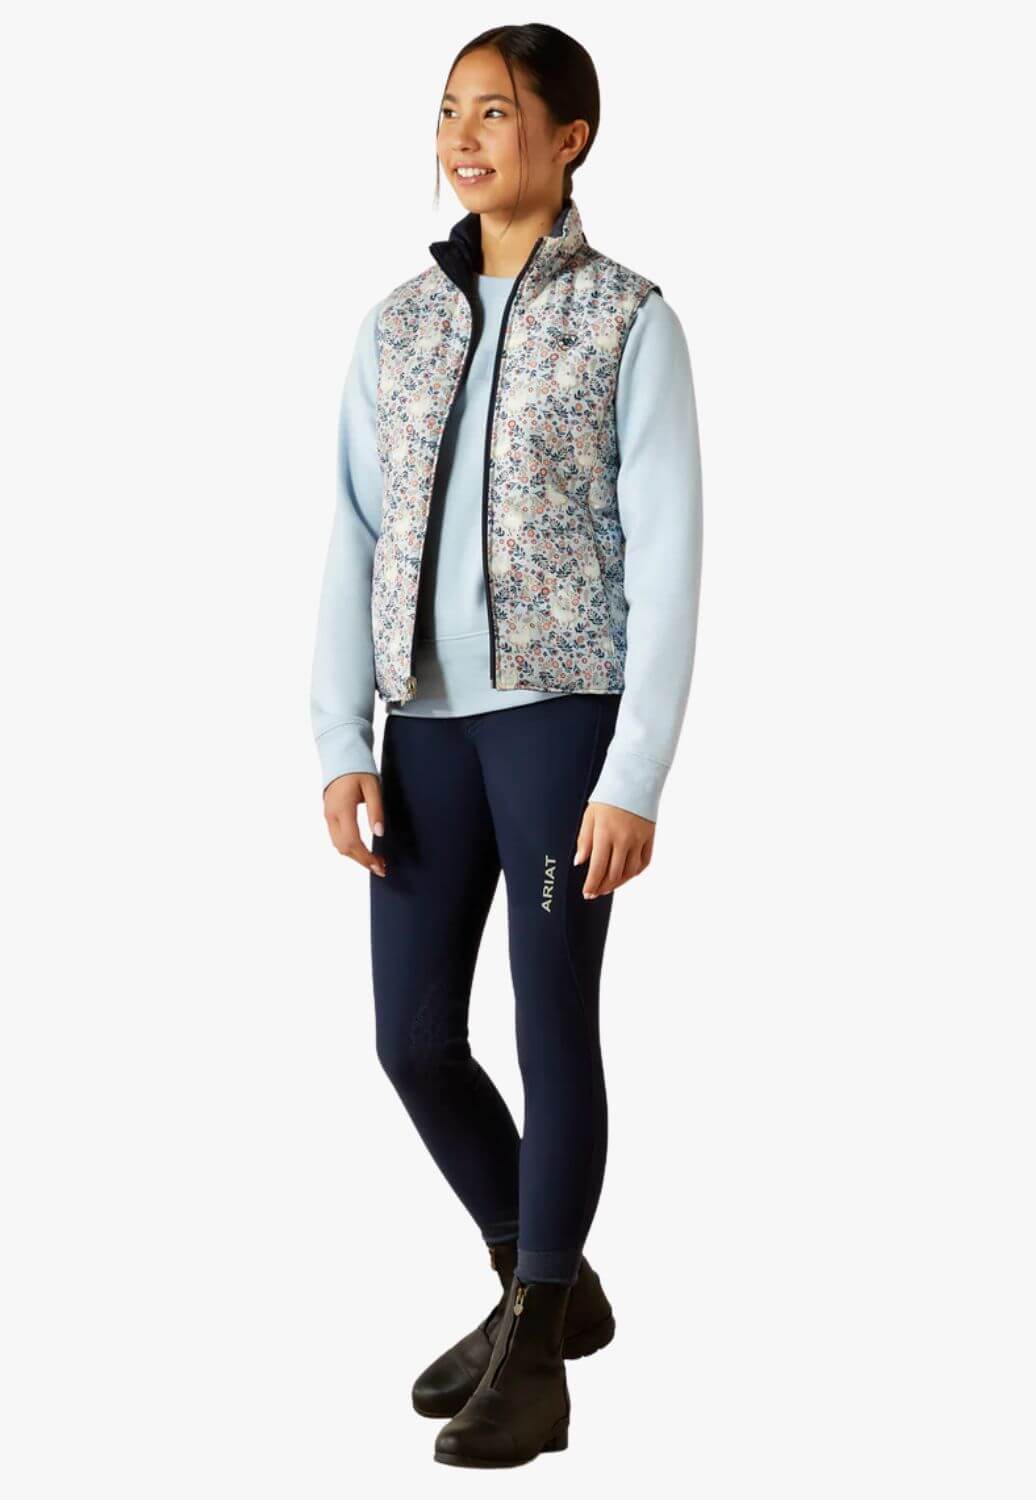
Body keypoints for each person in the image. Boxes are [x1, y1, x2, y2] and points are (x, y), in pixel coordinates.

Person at [310, 23, 703, 1468]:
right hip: (419, 729)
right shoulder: (398, 326)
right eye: (449, 112)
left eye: (495, 111)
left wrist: (632, 771)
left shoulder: (627, 319)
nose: (463, 137)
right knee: (412, 1039)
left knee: (549, 1024)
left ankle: (534, 1355)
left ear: (570, 136)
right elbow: (352, 533)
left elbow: (669, 556)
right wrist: (339, 738)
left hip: (557, 725)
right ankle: (545, 1280)